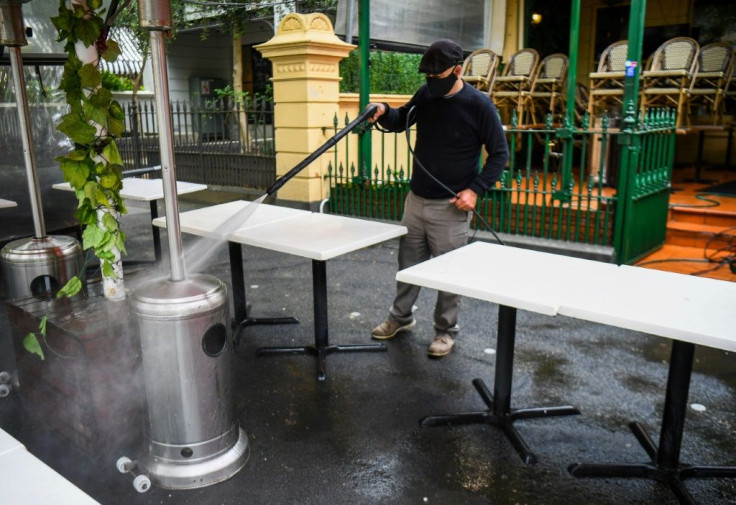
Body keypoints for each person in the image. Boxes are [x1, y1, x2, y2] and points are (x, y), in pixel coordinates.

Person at [368, 39, 508, 357]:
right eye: (427, 76)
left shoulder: (479, 105)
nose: (431, 81)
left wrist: (476, 189)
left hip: (450, 206)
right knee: (407, 265)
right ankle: (400, 318)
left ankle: (445, 331)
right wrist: (384, 112)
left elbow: (500, 153)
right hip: (416, 200)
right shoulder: (427, 93)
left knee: (448, 274)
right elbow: (403, 118)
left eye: (437, 76)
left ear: (457, 70)